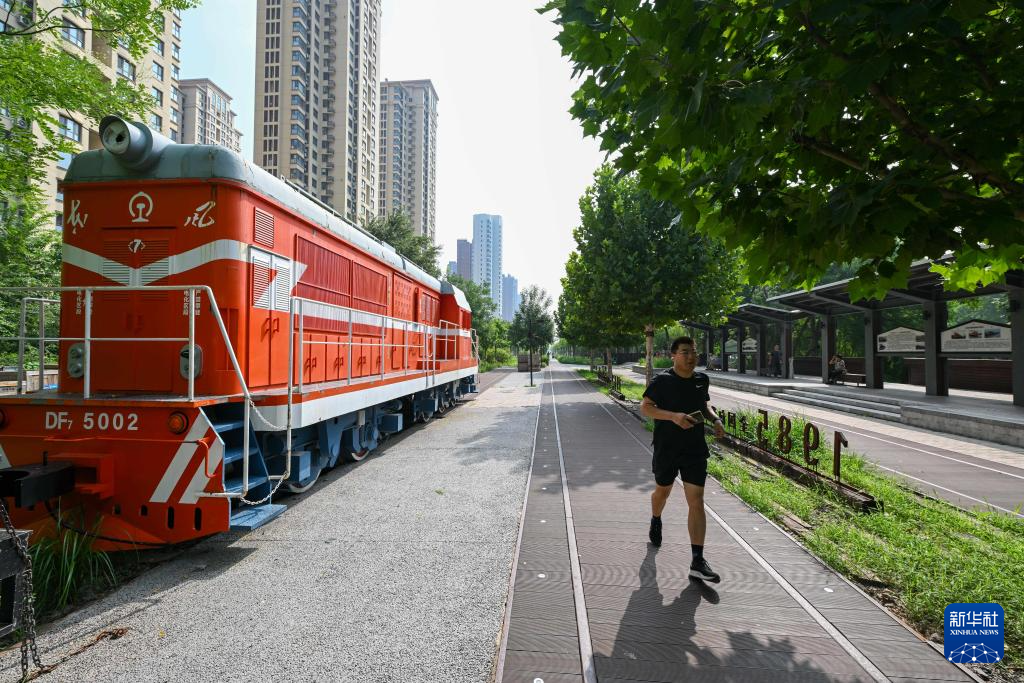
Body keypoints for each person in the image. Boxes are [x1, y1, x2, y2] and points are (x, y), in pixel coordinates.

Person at [640, 336, 726, 583]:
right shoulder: (662, 381)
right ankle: (656, 519)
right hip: (667, 448)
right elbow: (645, 407)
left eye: (694, 352)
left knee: (696, 500)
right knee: (662, 493)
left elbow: (704, 405)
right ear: (673, 355)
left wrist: (715, 419)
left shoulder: (701, 380)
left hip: (694, 449)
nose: (691, 357)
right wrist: (673, 417)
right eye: (685, 352)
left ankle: (697, 561)